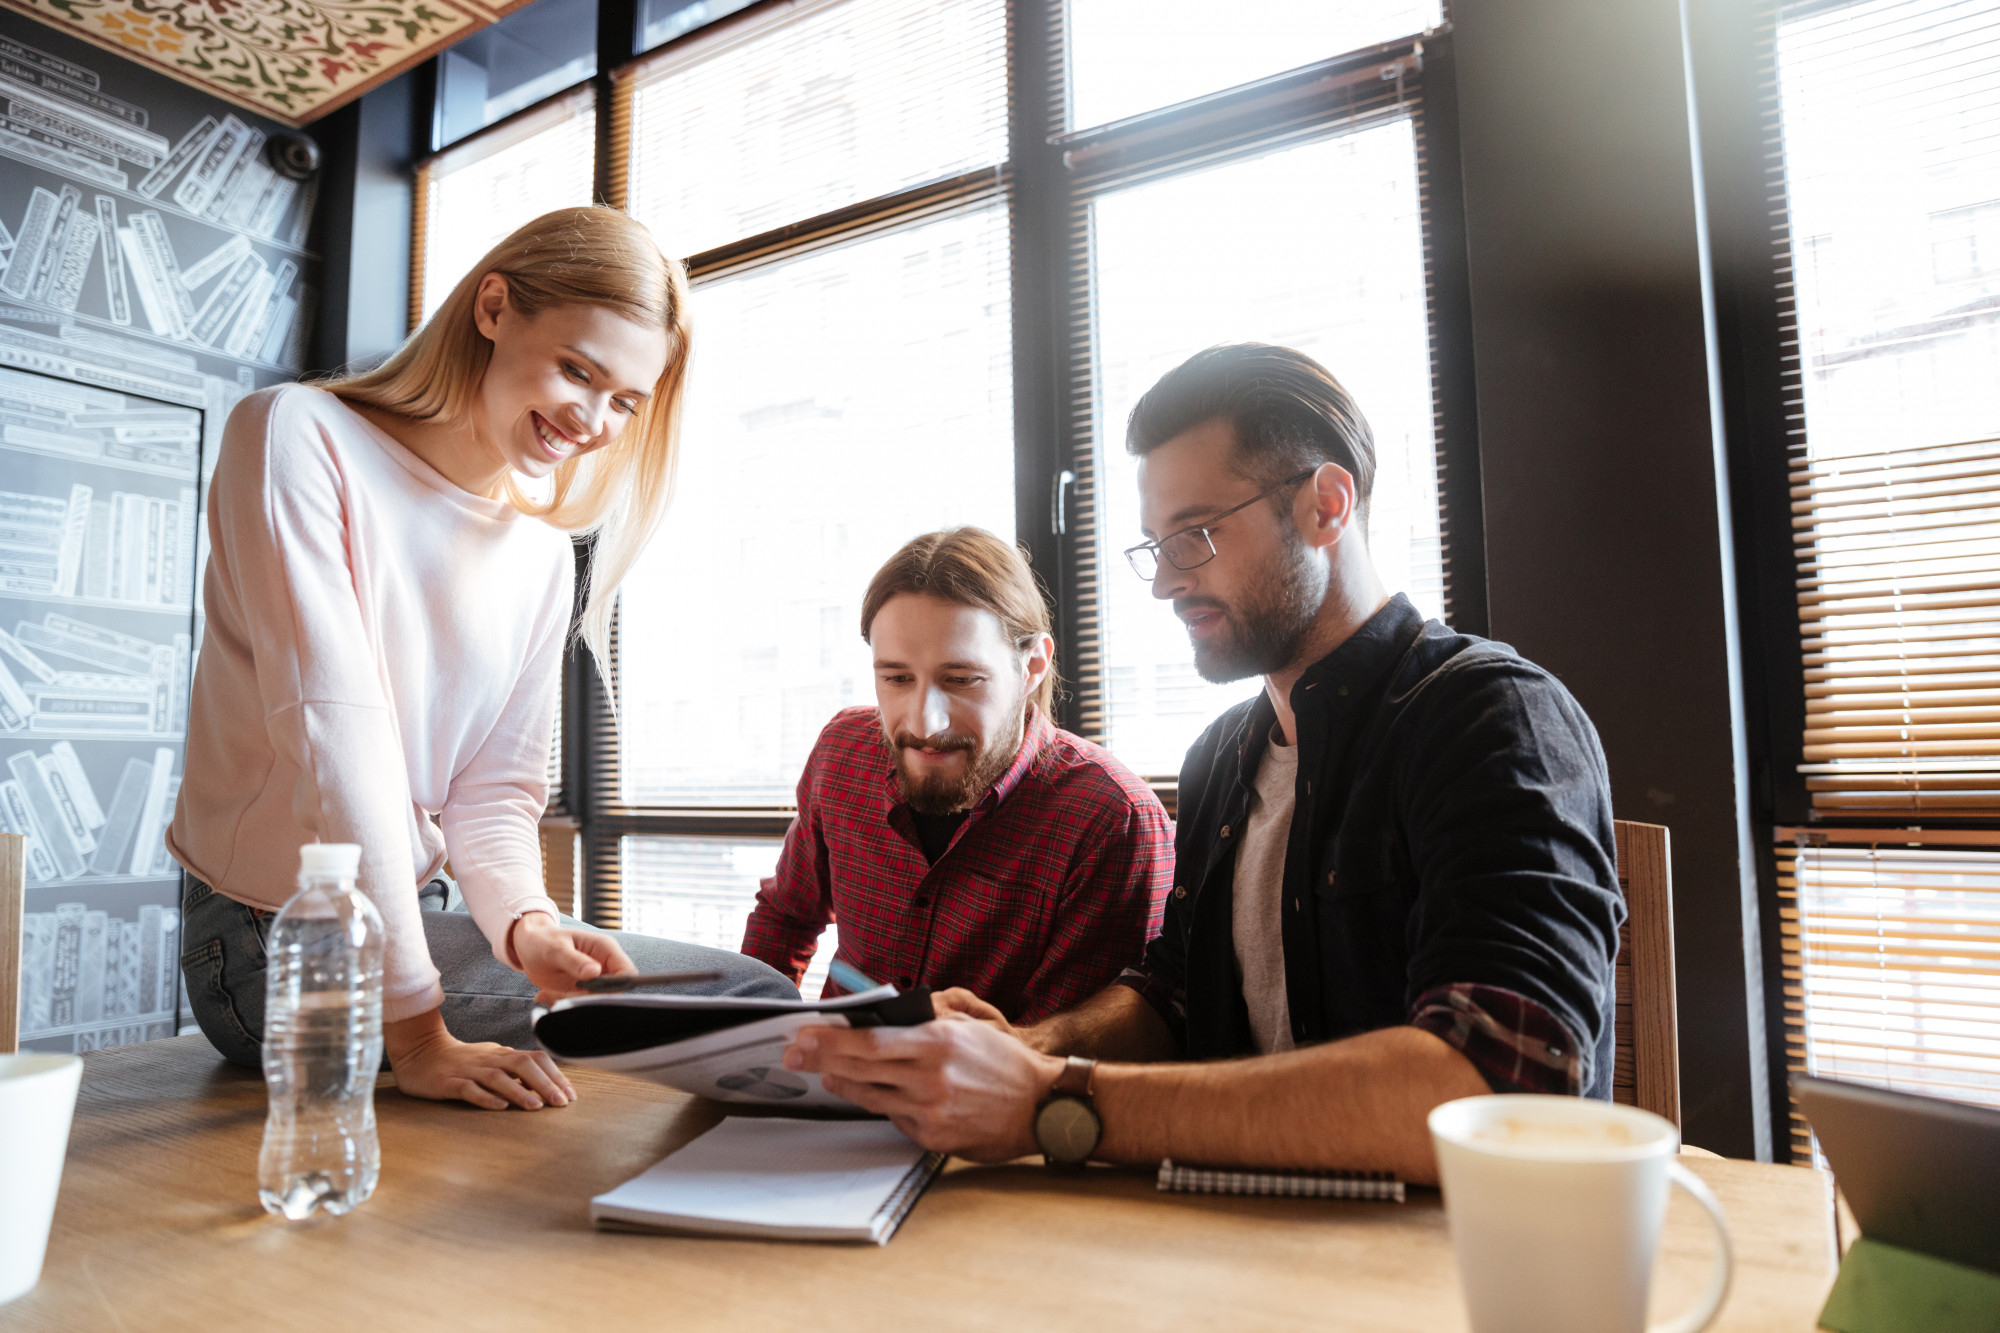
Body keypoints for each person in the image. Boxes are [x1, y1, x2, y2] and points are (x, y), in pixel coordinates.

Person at [783, 345, 1624, 1184]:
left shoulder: (1492, 718)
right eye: (1156, 546)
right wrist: (1024, 1048)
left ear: (1327, 505)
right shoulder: (1224, 756)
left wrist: (1054, 1097)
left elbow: (1501, 1088)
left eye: (1194, 535)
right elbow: (1173, 995)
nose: (1165, 585)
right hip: (1231, 1236)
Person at [171, 206, 796, 1112]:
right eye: (579, 370)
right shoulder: (293, 434)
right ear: (495, 308)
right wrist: (419, 1031)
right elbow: (333, 739)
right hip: (274, 938)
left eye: (625, 400)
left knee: (744, 1005)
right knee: (746, 1002)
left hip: (420, 921)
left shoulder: (542, 556)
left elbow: (496, 792)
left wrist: (526, 925)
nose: (592, 419)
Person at [742, 527, 1172, 1022]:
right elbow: (785, 918)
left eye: (961, 680)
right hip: (827, 1083)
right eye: (897, 678)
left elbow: (1059, 1051)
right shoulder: (843, 751)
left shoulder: (1111, 820)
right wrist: (750, 1049)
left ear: (1032, 665)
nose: (925, 723)